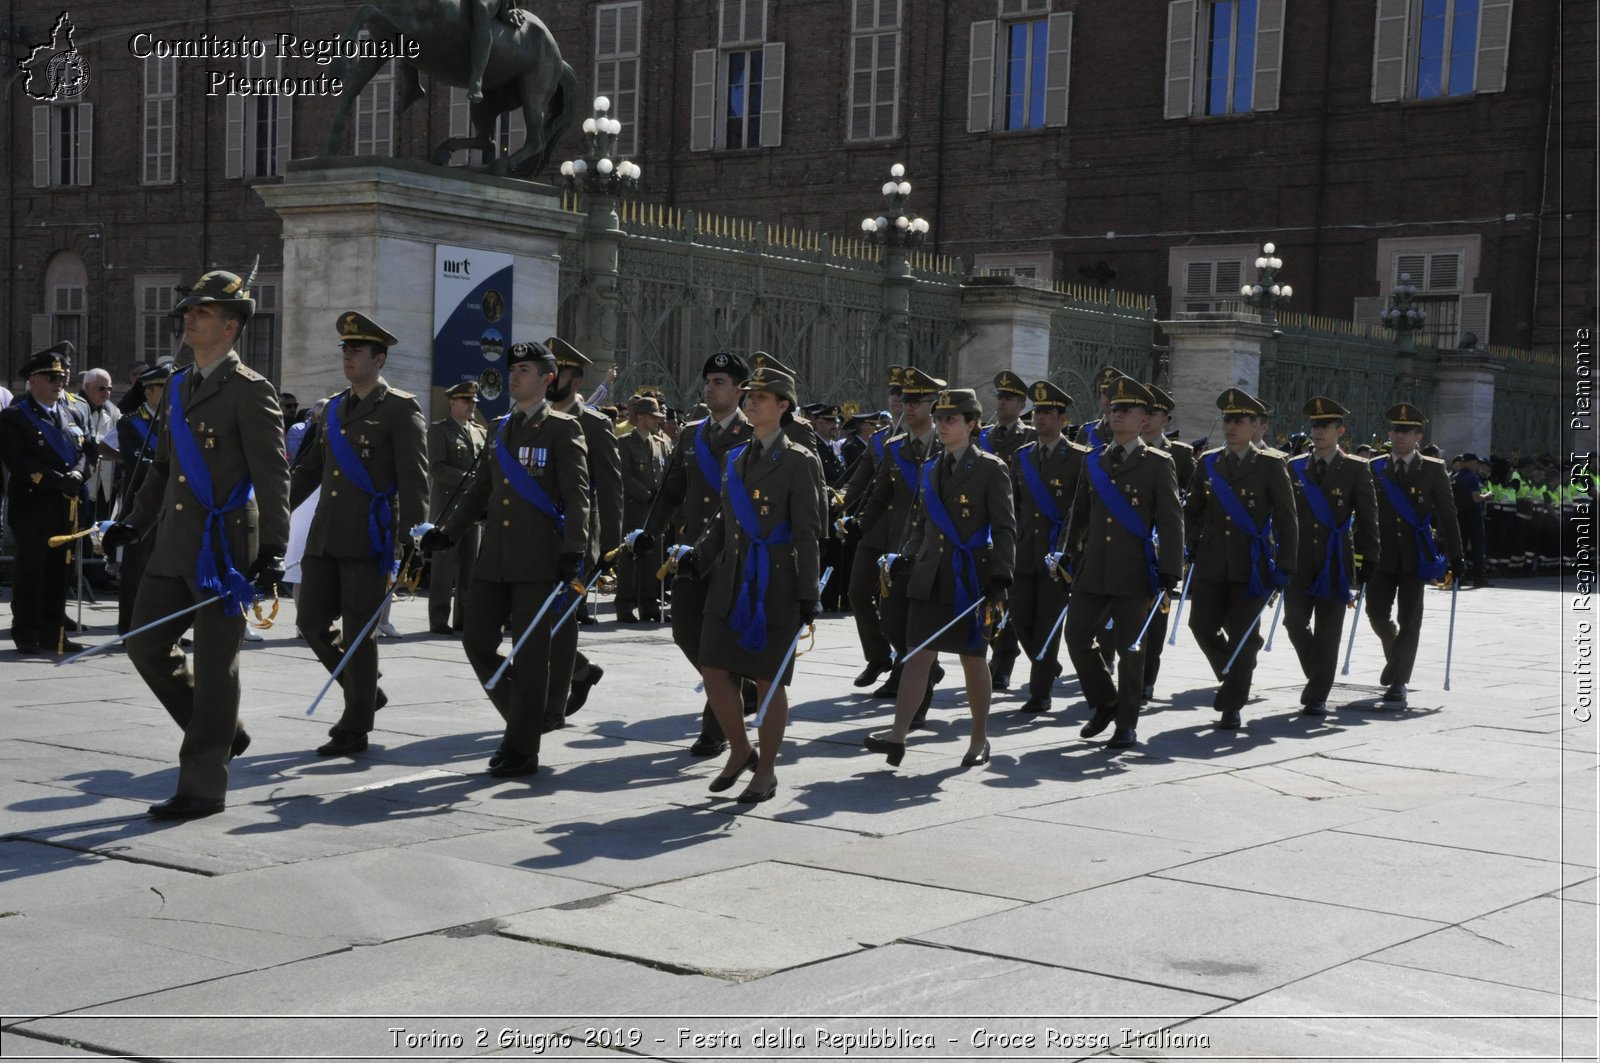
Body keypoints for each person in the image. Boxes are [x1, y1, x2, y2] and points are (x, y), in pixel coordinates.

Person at [100, 269, 291, 819]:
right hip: (176, 543)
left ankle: (202, 785)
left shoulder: (252, 392)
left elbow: (273, 479)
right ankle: (222, 731)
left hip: (226, 548)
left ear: (230, 327)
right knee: (144, 645)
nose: (188, 317)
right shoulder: (179, 384)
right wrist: (134, 521)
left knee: (214, 666)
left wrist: (272, 553)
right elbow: (162, 467)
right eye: (188, 310)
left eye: (202, 312)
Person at [423, 340, 590, 776]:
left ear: (547, 379)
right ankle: (526, 720)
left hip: (539, 560)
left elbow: (577, 497)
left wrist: (575, 550)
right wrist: (448, 532)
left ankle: (521, 748)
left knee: (532, 656)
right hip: (494, 557)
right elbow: (480, 488)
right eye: (513, 368)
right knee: (476, 641)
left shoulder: (561, 429)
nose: (515, 375)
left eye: (526, 369)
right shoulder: (498, 427)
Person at [289, 312, 430, 757]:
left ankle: (355, 724)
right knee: (310, 623)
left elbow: (414, 478)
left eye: (357, 350)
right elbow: (310, 470)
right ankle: (364, 692)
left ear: (379, 358)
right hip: (325, 533)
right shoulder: (332, 407)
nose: (348, 356)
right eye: (345, 349)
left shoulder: (400, 408)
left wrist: (414, 537)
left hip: (369, 534)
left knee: (359, 630)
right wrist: (274, 512)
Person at [693, 364, 825, 802]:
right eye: (748, 396)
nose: (750, 402)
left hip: (777, 584)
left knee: (769, 681)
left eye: (761, 397)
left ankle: (765, 770)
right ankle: (740, 749)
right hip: (731, 580)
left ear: (783, 406)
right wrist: (700, 556)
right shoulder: (735, 456)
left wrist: (809, 592)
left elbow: (808, 532)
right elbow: (724, 519)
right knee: (713, 667)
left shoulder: (799, 460)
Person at [864, 387, 1015, 766]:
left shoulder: (989, 469)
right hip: (930, 575)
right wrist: (906, 557)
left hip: (970, 579)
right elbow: (920, 525)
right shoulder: (932, 467)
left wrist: (1001, 575)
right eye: (940, 418)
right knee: (916, 656)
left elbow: (1006, 528)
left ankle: (979, 738)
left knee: (972, 659)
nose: (942, 425)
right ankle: (898, 735)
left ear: (972, 425)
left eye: (951, 419)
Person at [638, 352, 755, 755]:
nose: (710, 387)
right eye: (708, 380)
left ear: (741, 390)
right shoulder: (690, 434)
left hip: (733, 555)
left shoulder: (754, 434)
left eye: (721, 381)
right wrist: (648, 533)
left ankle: (715, 728)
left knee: (718, 639)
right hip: (690, 553)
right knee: (685, 632)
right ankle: (743, 685)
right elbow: (671, 490)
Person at [1058, 376, 1184, 749]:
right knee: (1077, 636)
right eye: (1114, 409)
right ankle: (1104, 701)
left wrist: (1170, 570)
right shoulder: (1093, 460)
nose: (1117, 414)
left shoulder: (1158, 464)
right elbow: (1079, 512)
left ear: (1144, 420)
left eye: (1126, 410)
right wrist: (1069, 549)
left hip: (1134, 567)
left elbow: (1171, 518)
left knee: (1131, 648)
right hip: (1093, 564)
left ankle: (1126, 723)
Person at [1183, 388, 1298, 729]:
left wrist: (1286, 564)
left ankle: (1232, 704)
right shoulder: (1208, 461)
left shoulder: (1270, 464)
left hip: (1253, 564)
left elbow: (1287, 518)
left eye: (1240, 421)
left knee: (1243, 635)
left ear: (1255, 426)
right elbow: (1193, 511)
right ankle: (1234, 669)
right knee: (1200, 625)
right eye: (1228, 420)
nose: (1231, 426)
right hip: (1212, 560)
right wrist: (1187, 545)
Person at [848, 367, 945, 704]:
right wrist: (857, 519)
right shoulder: (892, 446)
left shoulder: (947, 445)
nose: (908, 406)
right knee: (888, 616)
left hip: (930, 545)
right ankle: (900, 664)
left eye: (917, 400)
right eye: (905, 400)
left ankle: (912, 688)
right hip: (891, 538)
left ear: (934, 405)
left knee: (914, 617)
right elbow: (877, 491)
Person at [1282, 397, 1380, 717]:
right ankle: (1318, 674)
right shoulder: (1294, 466)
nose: (1318, 431)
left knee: (1328, 630)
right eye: (1314, 425)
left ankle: (1318, 694)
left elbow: (1368, 517)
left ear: (1340, 430)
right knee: (1294, 622)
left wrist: (1369, 560)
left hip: (1335, 559)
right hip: (1298, 560)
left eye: (1325, 426)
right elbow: (1282, 516)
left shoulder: (1356, 468)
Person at [1365, 403, 1463, 707]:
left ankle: (1399, 680)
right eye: (1395, 430)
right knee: (1376, 613)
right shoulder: (1375, 466)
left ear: (1418, 436)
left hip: (1415, 557)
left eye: (1406, 431)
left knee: (1410, 620)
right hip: (1382, 556)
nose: (1399, 436)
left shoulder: (1433, 469)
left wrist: (1456, 557)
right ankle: (1397, 656)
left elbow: (1448, 515)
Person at [546, 337, 622, 725]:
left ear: (575, 380)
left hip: (575, 540)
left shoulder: (593, 423)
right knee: (531, 620)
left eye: (557, 372)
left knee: (559, 621)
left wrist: (611, 549)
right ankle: (579, 671)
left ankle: (553, 705)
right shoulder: (531, 417)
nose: (549, 378)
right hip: (532, 538)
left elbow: (610, 487)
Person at [0, 344, 95, 654]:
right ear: (33, 381)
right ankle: (27, 633)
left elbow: (88, 450)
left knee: (60, 571)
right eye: (51, 377)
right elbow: (16, 460)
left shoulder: (73, 412)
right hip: (33, 506)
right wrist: (56, 481)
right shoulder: (16, 416)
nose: (58, 383)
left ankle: (55, 634)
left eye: (61, 377)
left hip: (67, 506)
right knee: (32, 571)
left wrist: (80, 475)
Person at [1007, 380, 1088, 714]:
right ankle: (1046, 664)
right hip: (1024, 551)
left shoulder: (1080, 458)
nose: (1039, 418)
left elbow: (1080, 510)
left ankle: (1040, 692)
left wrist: (1069, 550)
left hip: (1058, 555)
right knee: (1020, 618)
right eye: (1036, 412)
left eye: (1047, 413)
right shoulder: (1022, 456)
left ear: (1063, 419)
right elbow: (1012, 505)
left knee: (1047, 624)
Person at [1134, 383, 1196, 700]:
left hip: (1160, 550)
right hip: (1128, 545)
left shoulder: (1181, 456)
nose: (1146, 419)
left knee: (1156, 618)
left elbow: (1195, 500)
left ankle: (1146, 677)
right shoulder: (1122, 450)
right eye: (1142, 412)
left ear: (1166, 420)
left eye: (1154, 413)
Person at [112, 363, 171, 635]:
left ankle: (164, 629)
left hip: (172, 505)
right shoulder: (130, 422)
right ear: (149, 392)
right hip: (142, 505)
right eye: (165, 390)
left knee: (169, 571)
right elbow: (141, 460)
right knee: (136, 569)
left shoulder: (176, 422)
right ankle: (131, 628)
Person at [427, 381, 488, 635]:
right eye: (466, 401)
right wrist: (472, 480)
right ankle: (439, 618)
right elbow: (437, 468)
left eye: (474, 402)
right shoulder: (439, 430)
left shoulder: (480, 432)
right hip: (448, 507)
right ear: (452, 403)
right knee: (444, 567)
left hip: (472, 510)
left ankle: (464, 617)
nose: (471, 406)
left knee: (469, 566)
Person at [616, 393, 669, 623]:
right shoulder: (625, 443)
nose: (657, 420)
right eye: (652, 416)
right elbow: (624, 477)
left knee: (652, 561)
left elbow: (665, 475)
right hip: (634, 510)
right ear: (640, 417)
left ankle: (650, 605)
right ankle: (625, 606)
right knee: (629, 561)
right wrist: (648, 496)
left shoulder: (661, 443)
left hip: (654, 513)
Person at [72, 367, 121, 525]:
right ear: (86, 387)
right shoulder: (72, 407)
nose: (106, 392)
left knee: (100, 529)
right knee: (78, 528)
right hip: (81, 477)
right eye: (101, 388)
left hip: (105, 482)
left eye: (109, 388)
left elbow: (123, 432)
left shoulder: (113, 410)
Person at [1451, 452, 1491, 588]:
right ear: (1469, 463)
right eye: (1476, 463)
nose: (1478, 465)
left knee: (1460, 548)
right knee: (1477, 548)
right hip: (1473, 516)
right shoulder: (1472, 477)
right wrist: (1487, 496)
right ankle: (1479, 578)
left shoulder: (1455, 477)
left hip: (1459, 516)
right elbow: (1476, 497)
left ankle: (1458, 577)